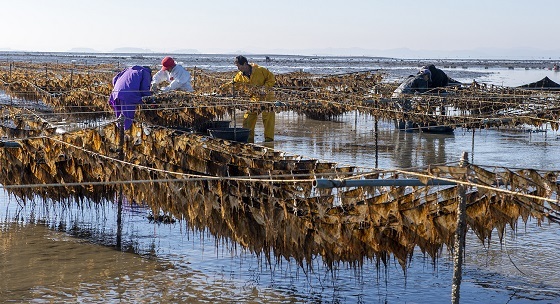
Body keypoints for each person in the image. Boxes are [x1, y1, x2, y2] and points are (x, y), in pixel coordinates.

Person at [232, 55, 276, 143]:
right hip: (254, 99)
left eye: (239, 66)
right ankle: (248, 139)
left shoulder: (260, 70)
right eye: (237, 66)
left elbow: (271, 79)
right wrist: (221, 89)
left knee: (268, 119)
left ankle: (269, 140)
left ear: (244, 64)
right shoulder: (240, 75)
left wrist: (265, 88)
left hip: (268, 98)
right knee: (248, 119)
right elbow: (234, 84)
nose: (238, 68)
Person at [108, 65, 152, 130]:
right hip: (128, 95)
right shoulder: (145, 72)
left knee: (119, 117)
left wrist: (119, 89)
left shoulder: (128, 69)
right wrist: (149, 99)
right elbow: (144, 89)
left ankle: (119, 133)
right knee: (127, 118)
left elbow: (114, 79)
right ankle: (125, 135)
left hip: (115, 94)